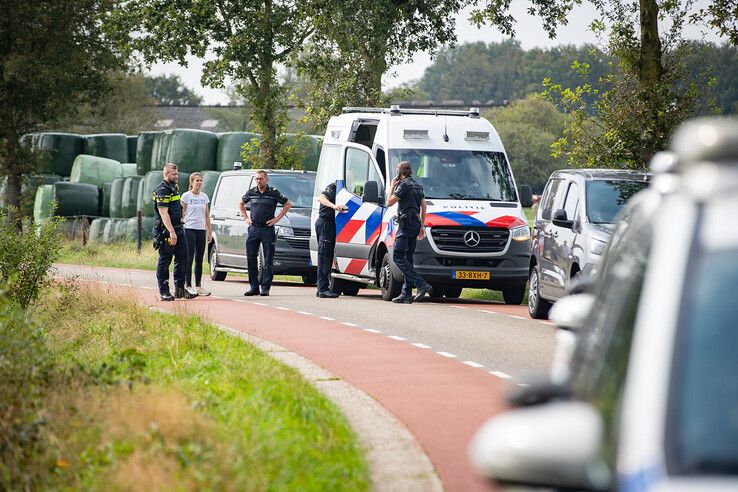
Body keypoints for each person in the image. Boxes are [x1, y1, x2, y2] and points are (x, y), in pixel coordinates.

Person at [239, 170, 292, 296]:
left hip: (267, 229)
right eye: (257, 179)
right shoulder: (251, 192)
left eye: (261, 178)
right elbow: (241, 203)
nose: (259, 181)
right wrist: (246, 218)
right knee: (251, 258)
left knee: (268, 259)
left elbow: (287, 204)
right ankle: (254, 287)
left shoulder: (273, 192)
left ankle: (265, 288)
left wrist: (276, 219)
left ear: (266, 179)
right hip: (254, 228)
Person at [386, 161, 433, 304]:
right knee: (408, 258)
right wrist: (422, 226)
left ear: (400, 173)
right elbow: (423, 207)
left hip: (405, 225)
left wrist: (393, 186)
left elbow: (389, 202)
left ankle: (421, 285)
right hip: (416, 224)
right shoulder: (418, 186)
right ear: (410, 172)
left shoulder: (403, 185)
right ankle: (406, 294)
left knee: (398, 256)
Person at [153, 163, 196, 301]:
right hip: (166, 231)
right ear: (166, 174)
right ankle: (164, 292)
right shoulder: (162, 190)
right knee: (165, 261)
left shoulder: (174, 188)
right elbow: (163, 213)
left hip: (178, 228)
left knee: (183, 258)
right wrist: (171, 232)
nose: (177, 176)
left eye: (177, 174)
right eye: (174, 174)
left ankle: (179, 290)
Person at [181, 172, 212, 296]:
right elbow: (182, 212)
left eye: (200, 180)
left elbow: (206, 215)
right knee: (189, 257)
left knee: (199, 258)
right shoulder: (186, 196)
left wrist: (209, 230)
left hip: (201, 229)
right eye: (197, 180)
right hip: (189, 229)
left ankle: (198, 286)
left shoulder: (204, 197)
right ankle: (188, 285)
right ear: (191, 182)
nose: (199, 182)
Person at [315, 181, 348, 298]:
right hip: (325, 223)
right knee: (324, 257)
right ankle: (323, 289)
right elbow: (322, 198)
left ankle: (321, 287)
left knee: (327, 256)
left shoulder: (341, 191)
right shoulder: (332, 187)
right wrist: (334, 206)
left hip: (329, 224)